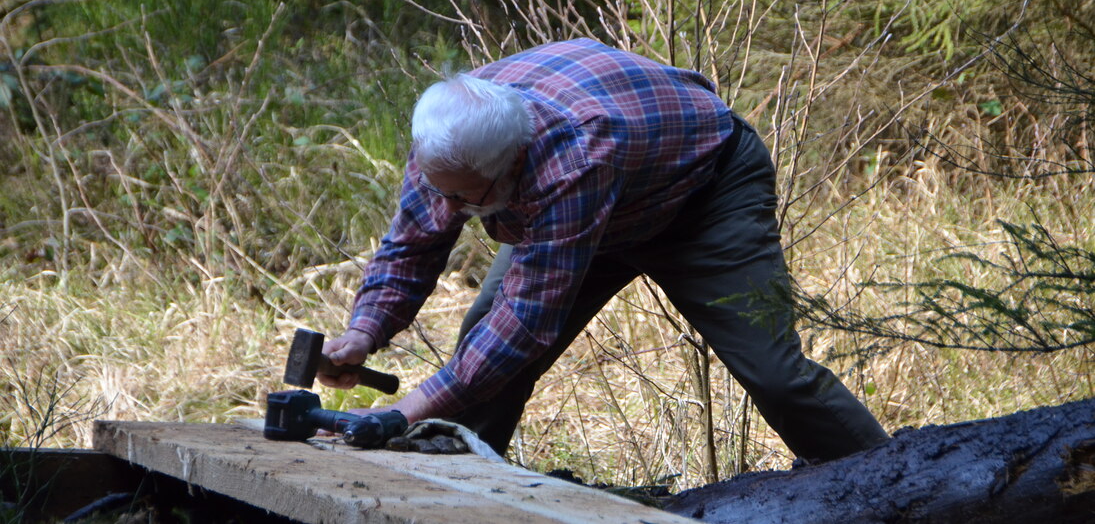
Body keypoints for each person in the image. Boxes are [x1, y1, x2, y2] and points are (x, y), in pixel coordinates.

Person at [320, 37, 889, 461]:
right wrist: (364, 333)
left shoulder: (573, 158)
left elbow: (522, 325)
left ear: (513, 163)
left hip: (701, 195)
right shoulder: (449, 140)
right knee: (482, 360)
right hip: (596, 201)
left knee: (776, 376)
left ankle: (890, 477)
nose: (451, 211)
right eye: (442, 191)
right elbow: (412, 242)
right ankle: (456, 498)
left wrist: (403, 411)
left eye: (466, 199)